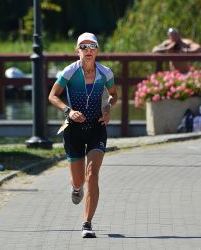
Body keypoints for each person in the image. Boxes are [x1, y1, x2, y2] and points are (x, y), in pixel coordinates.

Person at [48, 32, 118, 238]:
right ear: (77, 50)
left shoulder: (105, 73)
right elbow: (52, 95)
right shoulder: (69, 72)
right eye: (84, 46)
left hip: (96, 126)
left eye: (92, 46)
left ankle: (87, 223)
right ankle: (76, 188)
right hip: (73, 129)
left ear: (97, 50)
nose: (88, 50)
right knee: (79, 181)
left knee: (92, 175)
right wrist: (68, 111)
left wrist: (107, 107)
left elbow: (114, 94)